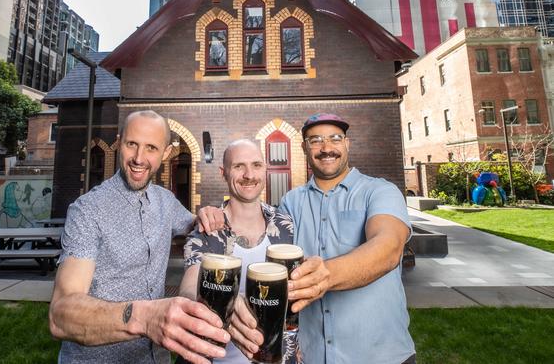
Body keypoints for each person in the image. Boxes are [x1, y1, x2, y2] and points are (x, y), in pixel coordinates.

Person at [198, 114, 416, 364]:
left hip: (379, 355)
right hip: (310, 357)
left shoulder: (380, 191)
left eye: (335, 138)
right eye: (315, 140)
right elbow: (249, 218)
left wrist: (327, 275)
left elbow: (389, 248)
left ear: (347, 144)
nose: (326, 148)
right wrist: (213, 213)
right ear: (304, 148)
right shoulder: (291, 203)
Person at [49, 110, 230, 364]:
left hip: (156, 358)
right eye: (131, 144)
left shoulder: (166, 201)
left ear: (165, 153)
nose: (138, 158)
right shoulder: (87, 210)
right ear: (120, 142)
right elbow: (61, 315)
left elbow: (195, 225)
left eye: (151, 148)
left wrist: (207, 213)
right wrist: (144, 317)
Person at [179, 139, 296, 363]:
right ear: (223, 173)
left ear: (265, 169)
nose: (249, 175)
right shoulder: (207, 229)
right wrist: (228, 306)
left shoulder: (286, 225)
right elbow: (187, 291)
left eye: (256, 165)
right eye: (238, 166)